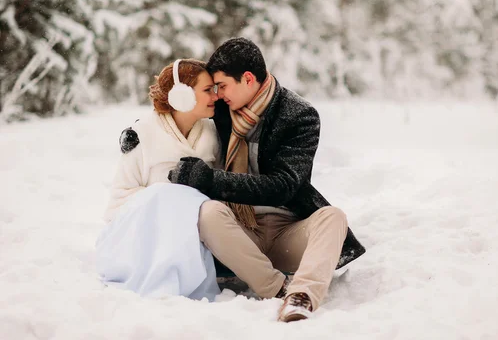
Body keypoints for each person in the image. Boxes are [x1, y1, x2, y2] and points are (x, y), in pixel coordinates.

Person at [121, 38, 366, 322]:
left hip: (287, 232)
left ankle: (302, 297)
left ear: (248, 79)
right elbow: (180, 111)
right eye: (214, 88)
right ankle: (276, 288)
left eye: (222, 86)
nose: (217, 94)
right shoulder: (222, 109)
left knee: (333, 217)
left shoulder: (299, 116)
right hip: (236, 235)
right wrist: (138, 133)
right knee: (207, 212)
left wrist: (211, 180)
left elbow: (283, 186)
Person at [96, 59, 222, 301]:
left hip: (195, 237)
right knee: (167, 193)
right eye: (208, 90)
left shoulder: (212, 134)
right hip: (143, 239)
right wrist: (167, 198)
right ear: (181, 96)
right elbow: (119, 199)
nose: (215, 96)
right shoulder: (142, 134)